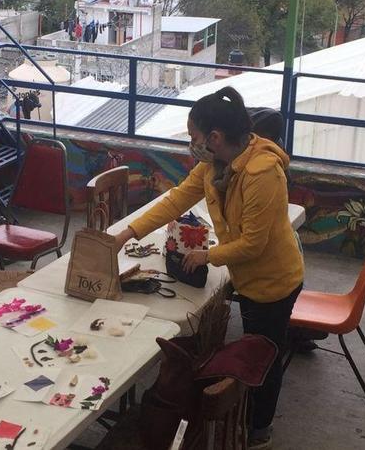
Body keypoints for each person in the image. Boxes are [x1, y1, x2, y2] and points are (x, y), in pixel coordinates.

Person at [113, 86, 304, 449]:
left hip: (273, 282)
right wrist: (127, 233)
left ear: (214, 137)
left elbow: (253, 244)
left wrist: (208, 256)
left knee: (262, 357)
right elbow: (176, 199)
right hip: (247, 278)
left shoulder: (262, 173)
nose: (191, 144)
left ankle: (258, 429)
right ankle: (245, 413)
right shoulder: (215, 164)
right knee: (254, 349)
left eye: (193, 137)